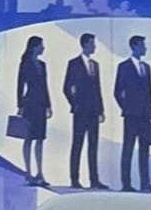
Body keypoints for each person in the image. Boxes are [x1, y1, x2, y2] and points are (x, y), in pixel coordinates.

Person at [113, 34, 151, 193]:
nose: (145, 48)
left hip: (145, 114)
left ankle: (145, 183)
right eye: (142, 45)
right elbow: (117, 91)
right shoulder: (123, 66)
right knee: (128, 148)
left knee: (145, 149)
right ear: (134, 46)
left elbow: (149, 91)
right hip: (131, 115)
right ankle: (126, 184)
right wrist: (126, 108)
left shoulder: (146, 67)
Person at [63, 33, 107, 190]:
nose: (94, 46)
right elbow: (66, 87)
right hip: (80, 111)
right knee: (77, 144)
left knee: (93, 146)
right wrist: (74, 104)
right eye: (92, 43)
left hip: (94, 111)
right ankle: (74, 179)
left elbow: (98, 88)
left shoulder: (95, 65)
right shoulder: (73, 63)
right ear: (85, 44)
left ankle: (94, 180)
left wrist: (101, 109)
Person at [15, 36, 51, 187]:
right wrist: (20, 105)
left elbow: (45, 86)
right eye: (41, 45)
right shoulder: (25, 64)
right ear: (35, 46)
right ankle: (28, 172)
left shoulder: (42, 65)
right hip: (30, 104)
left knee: (40, 139)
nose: (43, 48)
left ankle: (40, 173)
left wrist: (48, 105)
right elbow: (20, 85)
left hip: (41, 104)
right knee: (28, 138)